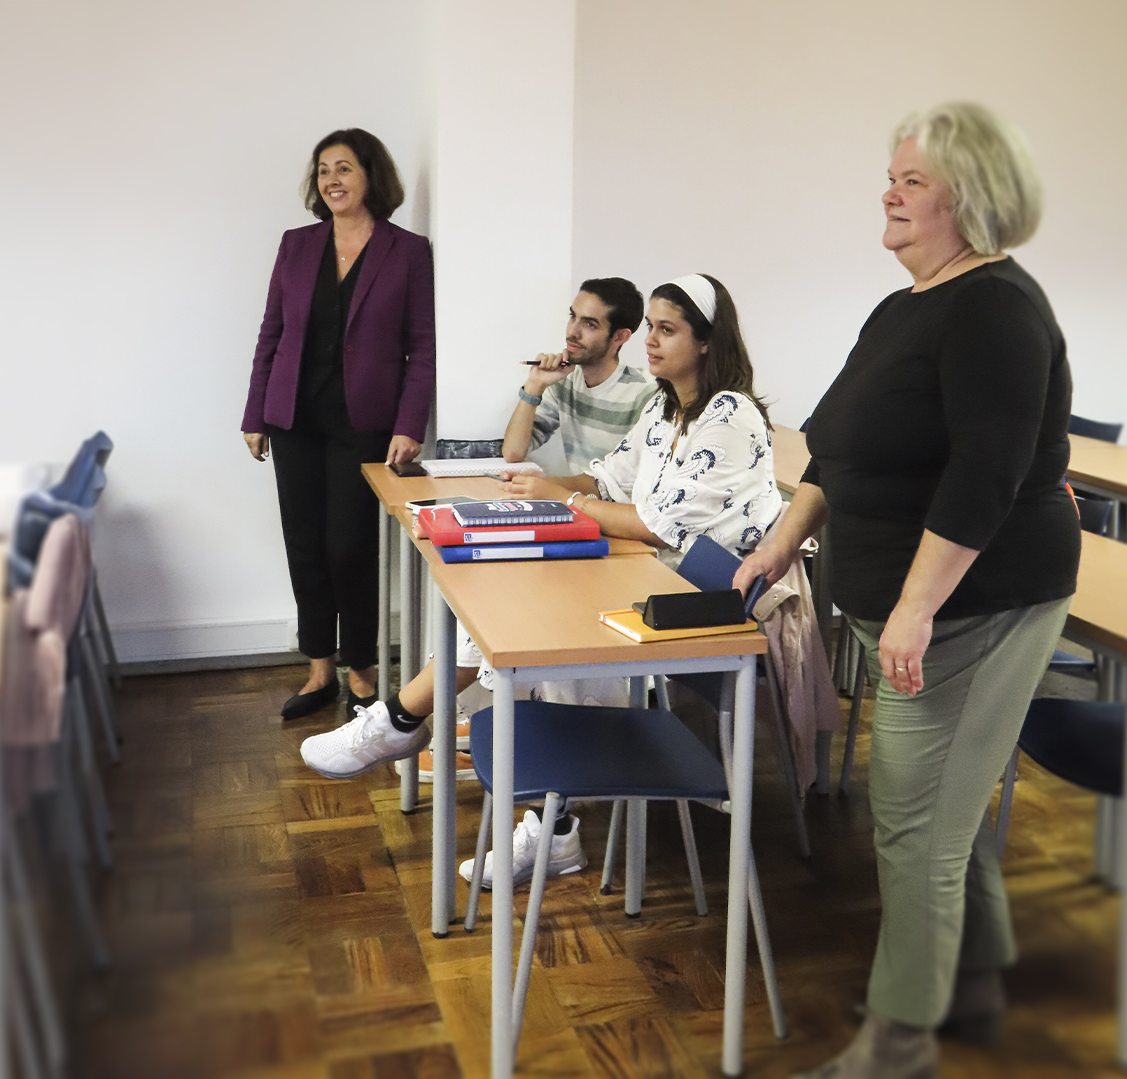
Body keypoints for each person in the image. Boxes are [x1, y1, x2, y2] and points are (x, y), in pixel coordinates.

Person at [736, 104, 1079, 1079]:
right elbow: (834, 447)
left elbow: (987, 474)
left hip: (978, 604)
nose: (888, 192)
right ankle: (967, 982)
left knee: (914, 816)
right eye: (891, 176)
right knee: (944, 806)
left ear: (970, 199)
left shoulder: (997, 308)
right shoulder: (905, 308)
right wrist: (779, 542)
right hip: (916, 604)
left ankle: (899, 1045)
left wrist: (919, 607)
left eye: (911, 180)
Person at [301, 273, 783, 887]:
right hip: (643, 579)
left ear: (709, 342)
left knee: (538, 627)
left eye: (668, 330)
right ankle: (428, 742)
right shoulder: (668, 409)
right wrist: (539, 493)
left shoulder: (728, 414)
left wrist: (562, 498)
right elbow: (609, 481)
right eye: (653, 330)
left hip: (694, 610)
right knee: (510, 605)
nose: (653, 344)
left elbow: (659, 527)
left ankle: (403, 726)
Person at [241, 128, 435, 724]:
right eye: (324, 169)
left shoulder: (407, 251)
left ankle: (363, 671)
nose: (332, 180)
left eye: (344, 168)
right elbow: (271, 332)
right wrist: (255, 414)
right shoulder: (296, 246)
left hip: (365, 422)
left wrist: (410, 422)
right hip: (294, 416)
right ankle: (319, 669)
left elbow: (421, 347)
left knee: (350, 547)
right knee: (303, 542)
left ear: (371, 177)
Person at [501, 278, 657, 477]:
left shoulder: (644, 395)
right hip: (576, 501)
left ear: (620, 337)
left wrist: (550, 487)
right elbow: (512, 453)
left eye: (590, 324)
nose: (572, 332)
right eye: (572, 317)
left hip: (611, 506)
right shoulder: (564, 382)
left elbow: (631, 485)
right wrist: (534, 385)